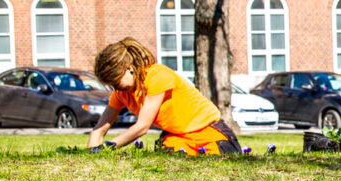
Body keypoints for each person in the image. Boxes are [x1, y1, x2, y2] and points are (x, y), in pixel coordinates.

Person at [88, 37, 242, 155]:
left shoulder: (157, 76)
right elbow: (99, 130)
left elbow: (142, 126)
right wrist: (92, 155)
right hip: (177, 136)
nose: (115, 88)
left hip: (208, 131)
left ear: (129, 69)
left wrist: (108, 147)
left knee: (214, 165)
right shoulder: (121, 93)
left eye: (116, 81)